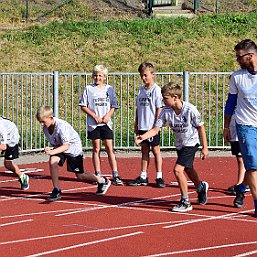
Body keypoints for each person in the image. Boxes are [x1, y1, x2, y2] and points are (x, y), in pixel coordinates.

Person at [135, 82, 209, 212]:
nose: (163, 100)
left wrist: (205, 147)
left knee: (178, 170)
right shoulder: (165, 111)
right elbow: (156, 129)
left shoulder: (190, 109)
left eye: (165, 98)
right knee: (188, 169)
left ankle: (185, 201)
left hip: (191, 143)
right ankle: (200, 187)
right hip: (180, 143)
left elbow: (200, 126)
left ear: (175, 97)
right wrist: (143, 137)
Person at [36, 106, 111, 201]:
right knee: (52, 161)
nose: (42, 124)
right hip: (61, 148)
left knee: (80, 176)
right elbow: (57, 143)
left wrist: (52, 151)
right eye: (40, 122)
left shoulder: (61, 127)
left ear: (51, 118)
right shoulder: (46, 128)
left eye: (43, 121)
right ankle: (56, 189)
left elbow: (66, 145)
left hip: (73, 149)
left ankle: (102, 181)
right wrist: (50, 149)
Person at [224, 39, 257, 216]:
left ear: (250, 56)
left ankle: (241, 187)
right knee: (252, 166)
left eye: (239, 57)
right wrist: (226, 127)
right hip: (245, 125)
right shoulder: (237, 77)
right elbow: (230, 103)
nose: (237, 60)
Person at [79, 64, 124, 186]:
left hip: (106, 123)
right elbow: (83, 105)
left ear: (105, 77)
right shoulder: (88, 89)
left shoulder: (109, 89)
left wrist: (108, 115)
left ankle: (115, 174)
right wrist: (94, 116)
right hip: (94, 124)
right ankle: (98, 173)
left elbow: (114, 105)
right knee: (96, 148)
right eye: (96, 75)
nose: (98, 77)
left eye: (100, 75)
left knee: (109, 148)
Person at [129, 62, 164, 187]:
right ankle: (143, 175)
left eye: (145, 75)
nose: (143, 78)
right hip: (143, 125)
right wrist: (136, 122)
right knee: (144, 150)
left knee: (156, 150)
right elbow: (138, 108)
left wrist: (156, 125)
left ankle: (159, 176)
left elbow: (159, 108)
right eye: (141, 75)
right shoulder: (141, 90)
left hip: (152, 126)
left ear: (152, 74)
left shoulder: (156, 90)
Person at [0, 116, 29, 190]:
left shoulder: (1, 128)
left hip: (11, 139)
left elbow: (3, 146)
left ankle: (23, 176)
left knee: (8, 164)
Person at [227, 113, 248, 195]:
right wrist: (226, 128)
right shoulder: (232, 103)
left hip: (245, 129)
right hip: (234, 129)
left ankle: (240, 183)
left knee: (241, 159)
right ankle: (242, 183)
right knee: (239, 158)